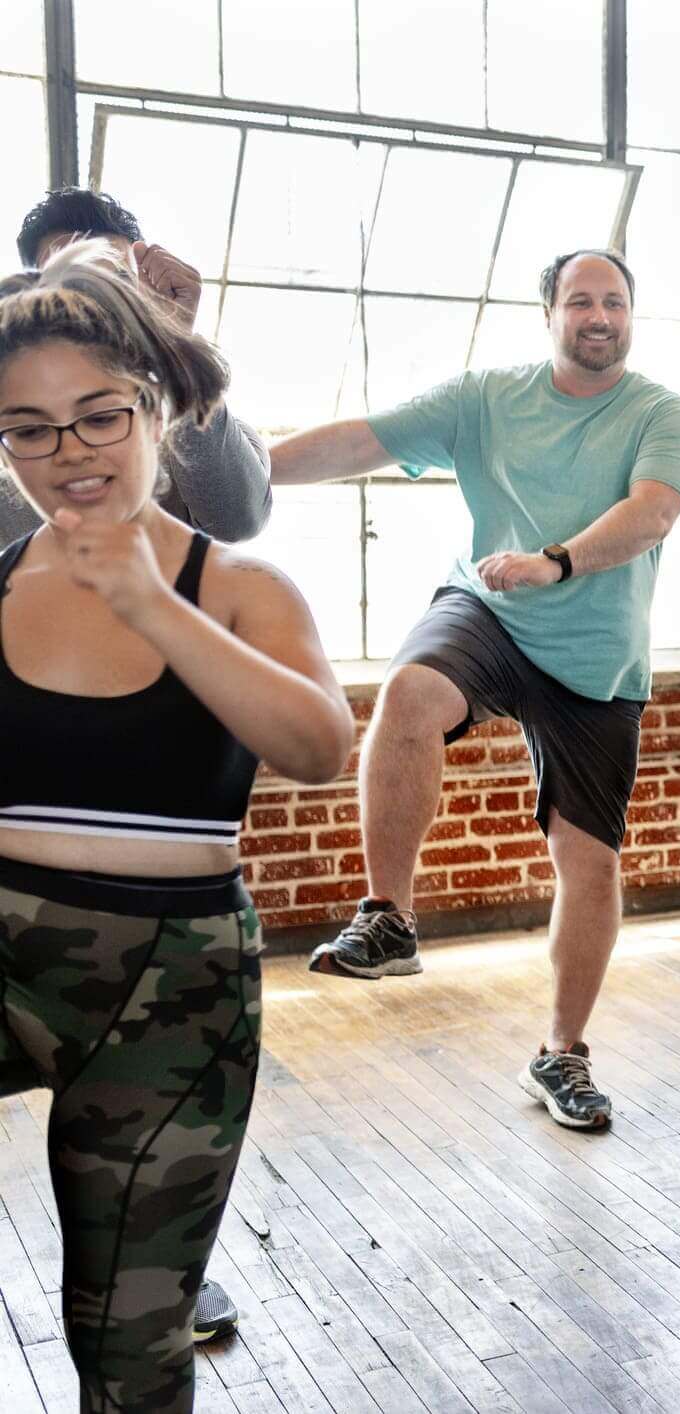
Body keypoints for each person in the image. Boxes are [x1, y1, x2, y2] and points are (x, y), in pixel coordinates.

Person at [0, 248, 354, 1409]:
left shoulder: (242, 586)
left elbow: (315, 747)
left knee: (131, 1336)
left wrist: (147, 599)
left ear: (154, 407)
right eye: (30, 430)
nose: (69, 454)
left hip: (176, 982)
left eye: (98, 416)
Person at [269, 248, 680, 1132]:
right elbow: (362, 438)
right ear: (548, 312)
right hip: (491, 610)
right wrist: (238, 475)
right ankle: (389, 916)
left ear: (631, 313)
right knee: (408, 695)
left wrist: (558, 562)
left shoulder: (665, 412)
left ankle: (562, 1053)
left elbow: (654, 512)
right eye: (580, 300)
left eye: (614, 301)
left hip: (595, 658)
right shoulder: (485, 399)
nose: (599, 316)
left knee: (588, 863)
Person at [16, 188, 282, 1346]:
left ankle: (156, 1260)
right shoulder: (27, 417)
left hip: (173, 942)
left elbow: (239, 508)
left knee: (132, 1324)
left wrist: (176, 343)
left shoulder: (164, 433)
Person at [4, 187, 272, 547]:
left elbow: (239, 519)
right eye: (70, 284)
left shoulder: (201, 424)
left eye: (116, 282)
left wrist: (174, 345)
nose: (97, 302)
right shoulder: (10, 432)